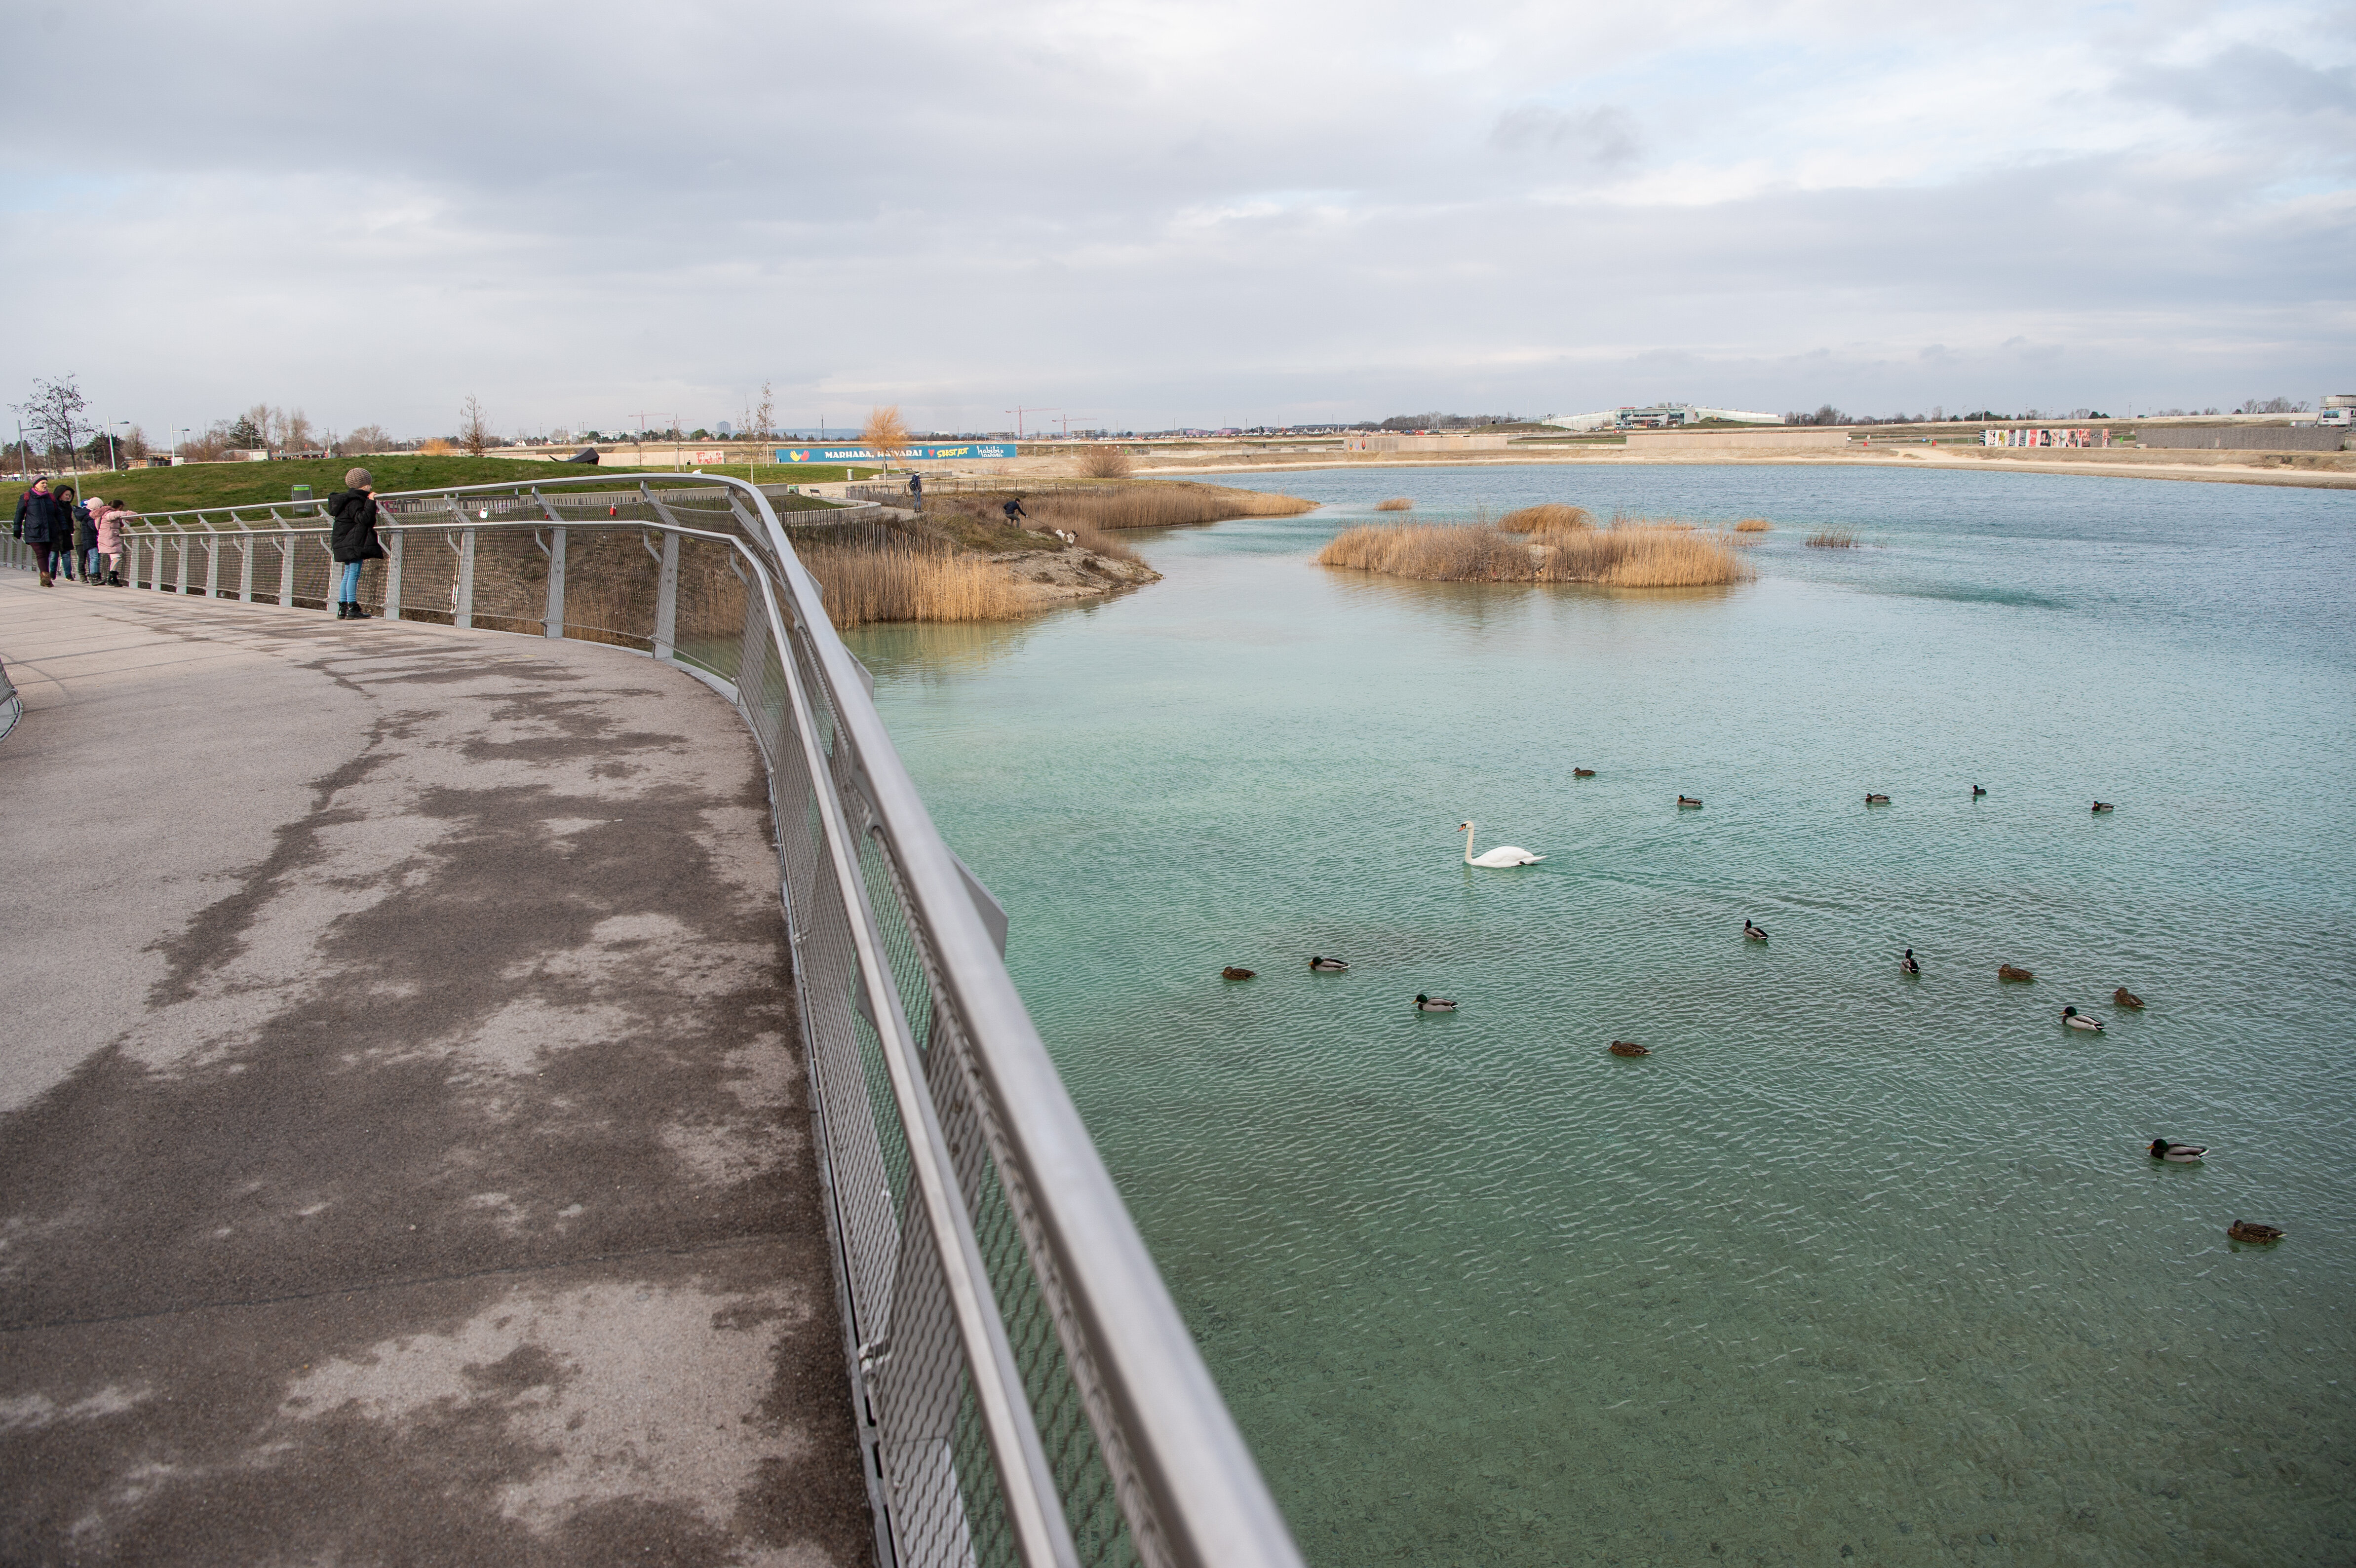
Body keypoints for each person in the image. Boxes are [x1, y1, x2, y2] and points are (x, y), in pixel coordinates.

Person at [325, 468, 385, 619]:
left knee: (348, 574)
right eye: (369, 484)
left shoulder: (346, 499)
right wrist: (371, 502)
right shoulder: (355, 501)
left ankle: (343, 608)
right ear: (365, 484)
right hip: (353, 542)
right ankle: (353, 608)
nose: (371, 487)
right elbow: (364, 519)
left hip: (344, 541)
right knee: (353, 574)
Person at [12, 476, 70, 586]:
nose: (45, 485)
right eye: (43, 483)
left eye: (46, 483)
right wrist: (17, 528)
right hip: (34, 531)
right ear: (35, 485)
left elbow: (59, 514)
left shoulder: (51, 497)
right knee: (41, 554)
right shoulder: (26, 497)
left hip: (50, 531)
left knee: (46, 554)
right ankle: (45, 577)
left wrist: (64, 527)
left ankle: (44, 577)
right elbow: (19, 514)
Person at [93, 496, 135, 585]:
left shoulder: (104, 513)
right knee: (117, 558)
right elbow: (116, 515)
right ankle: (112, 577)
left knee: (115, 558)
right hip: (110, 539)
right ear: (120, 507)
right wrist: (129, 514)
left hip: (109, 538)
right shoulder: (108, 514)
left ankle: (113, 578)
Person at [52, 485, 80, 579]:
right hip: (55, 534)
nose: (68, 497)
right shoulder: (53, 505)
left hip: (65, 534)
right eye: (66, 495)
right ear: (60, 494)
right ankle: (52, 572)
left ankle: (68, 575)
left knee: (67, 555)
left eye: (70, 495)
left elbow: (70, 520)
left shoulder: (69, 507)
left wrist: (70, 529)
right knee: (53, 556)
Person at [75, 494, 101, 583]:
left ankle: (95, 575)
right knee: (94, 558)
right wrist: (99, 519)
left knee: (96, 558)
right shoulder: (88, 516)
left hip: (92, 539)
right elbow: (93, 526)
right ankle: (94, 576)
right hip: (90, 539)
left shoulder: (86, 515)